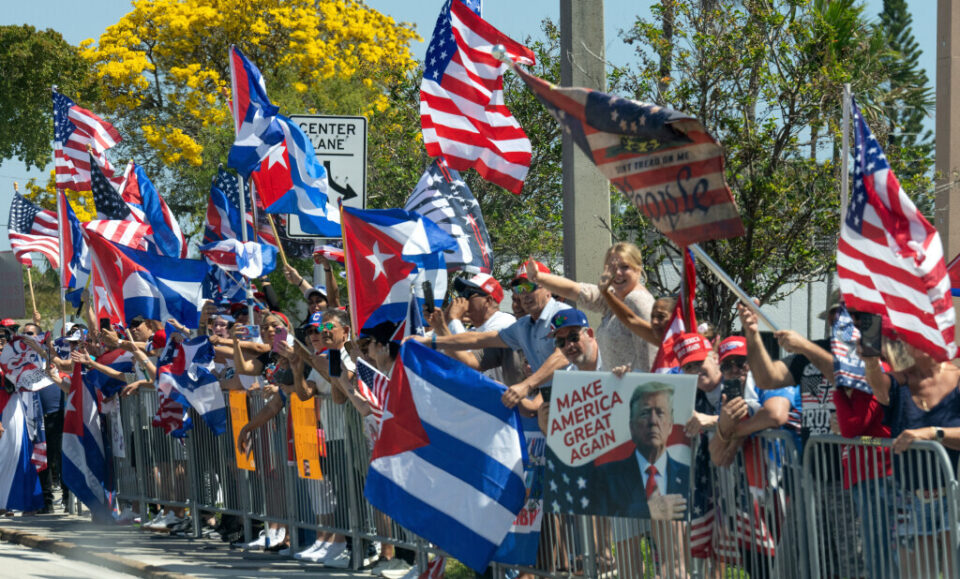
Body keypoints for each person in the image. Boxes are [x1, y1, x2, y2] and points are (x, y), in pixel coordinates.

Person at [865, 334, 960, 577]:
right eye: (910, 334)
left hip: (953, 496)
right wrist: (871, 361)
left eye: (923, 332)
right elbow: (879, 387)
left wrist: (932, 433)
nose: (916, 340)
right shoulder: (899, 381)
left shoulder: (957, 379)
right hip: (911, 499)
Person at [411, 260, 568, 409]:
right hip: (533, 416)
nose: (525, 294)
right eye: (520, 289)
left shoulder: (562, 314)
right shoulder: (522, 326)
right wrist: (433, 340)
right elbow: (474, 347)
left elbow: (562, 355)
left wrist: (526, 386)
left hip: (569, 408)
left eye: (531, 286)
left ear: (549, 288)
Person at [524, 243, 657, 372]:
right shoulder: (613, 297)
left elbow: (651, 357)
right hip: (617, 389)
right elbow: (573, 290)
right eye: (612, 268)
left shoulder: (637, 300)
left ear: (638, 268)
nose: (618, 273)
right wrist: (538, 277)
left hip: (638, 389)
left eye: (624, 267)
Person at [589, 381, 689, 518]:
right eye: (644, 413)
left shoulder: (688, 475)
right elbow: (599, 522)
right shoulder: (606, 477)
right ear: (632, 428)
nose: (653, 421)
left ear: (671, 425)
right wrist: (647, 511)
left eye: (660, 413)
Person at [428, 273, 524, 386]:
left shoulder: (504, 323)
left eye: (468, 295)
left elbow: (468, 361)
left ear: (488, 300)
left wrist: (455, 320)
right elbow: (438, 350)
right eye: (461, 294)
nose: (462, 300)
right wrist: (444, 321)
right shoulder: (474, 330)